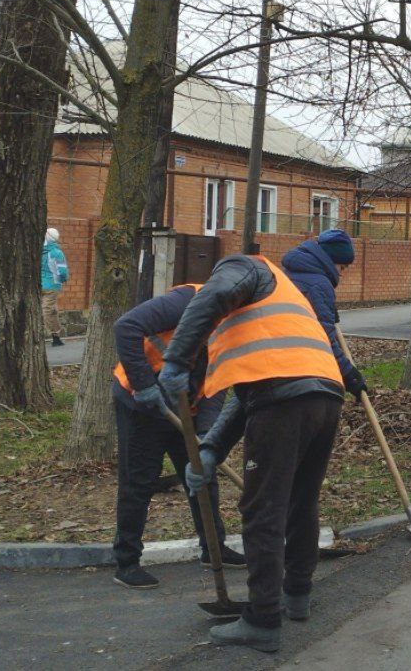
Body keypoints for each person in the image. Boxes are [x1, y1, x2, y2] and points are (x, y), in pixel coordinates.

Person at [165, 252, 363, 653]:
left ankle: (262, 619)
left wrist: (174, 360)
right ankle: (297, 594)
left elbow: (266, 388)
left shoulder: (239, 268)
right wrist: (211, 449)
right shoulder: (275, 305)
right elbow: (247, 396)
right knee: (300, 501)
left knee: (263, 510)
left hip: (284, 403)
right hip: (325, 397)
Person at [110, 284, 245, 589]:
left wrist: (206, 432)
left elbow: (219, 380)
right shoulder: (187, 301)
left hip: (188, 407)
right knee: (139, 479)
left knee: (202, 473)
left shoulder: (237, 324)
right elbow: (126, 327)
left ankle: (214, 550)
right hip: (140, 400)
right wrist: (145, 386)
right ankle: (127, 562)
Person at [279, 229, 369, 399]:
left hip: (270, 355)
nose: (341, 273)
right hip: (297, 366)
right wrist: (349, 375)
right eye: (342, 267)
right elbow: (323, 339)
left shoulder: (288, 273)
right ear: (330, 260)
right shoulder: (319, 285)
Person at [40, 228, 69, 347]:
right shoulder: (57, 252)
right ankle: (55, 336)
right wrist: (63, 280)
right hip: (52, 285)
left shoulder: (41, 251)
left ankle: (55, 336)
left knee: (49, 310)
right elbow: (62, 271)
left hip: (41, 285)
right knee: (49, 311)